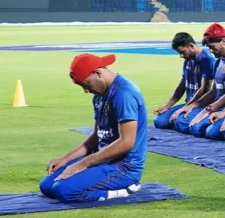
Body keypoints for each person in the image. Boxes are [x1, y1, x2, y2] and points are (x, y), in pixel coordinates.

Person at [41, 54, 148, 203]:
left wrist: (82, 164)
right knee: (46, 186)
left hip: (123, 167)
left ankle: (125, 190)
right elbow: (97, 136)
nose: (86, 90)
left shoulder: (124, 94)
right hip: (103, 161)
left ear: (98, 73)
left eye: (85, 84)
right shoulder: (99, 95)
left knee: (63, 191)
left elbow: (127, 142)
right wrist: (65, 160)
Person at [186, 24, 225, 138]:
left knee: (203, 130)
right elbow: (213, 91)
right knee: (182, 123)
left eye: (212, 47)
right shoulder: (219, 62)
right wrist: (193, 106)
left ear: (223, 41)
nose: (210, 51)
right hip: (216, 107)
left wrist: (208, 110)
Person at [153, 32, 215, 131]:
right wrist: (166, 106)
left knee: (179, 122)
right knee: (159, 121)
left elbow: (205, 90)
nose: (181, 56)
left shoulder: (207, 60)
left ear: (191, 46)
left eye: (182, 52)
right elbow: (181, 86)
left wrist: (185, 107)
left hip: (201, 105)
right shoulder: (188, 60)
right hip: (188, 104)